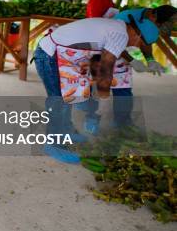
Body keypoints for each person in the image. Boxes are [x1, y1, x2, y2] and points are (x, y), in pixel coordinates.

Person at [33, 16, 159, 163]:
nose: (135, 46)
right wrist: (103, 97)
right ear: (138, 35)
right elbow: (106, 67)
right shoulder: (121, 35)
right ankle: (53, 144)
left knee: (67, 97)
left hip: (59, 54)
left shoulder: (118, 26)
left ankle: (65, 131)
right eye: (139, 44)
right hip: (49, 55)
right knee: (58, 101)